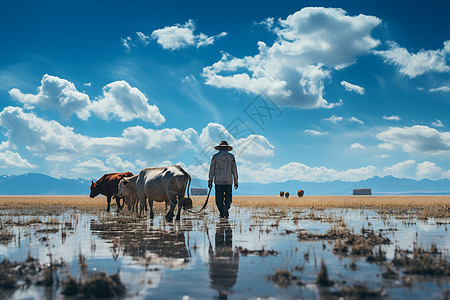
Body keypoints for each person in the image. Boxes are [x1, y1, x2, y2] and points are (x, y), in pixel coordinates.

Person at [208, 141, 238, 218]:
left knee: (219, 200)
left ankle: (222, 213)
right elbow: (234, 169)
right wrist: (236, 180)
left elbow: (212, 169)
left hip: (218, 181)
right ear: (227, 148)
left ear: (220, 148)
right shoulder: (231, 156)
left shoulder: (215, 156)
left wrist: (210, 180)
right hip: (228, 181)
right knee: (229, 199)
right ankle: (225, 210)